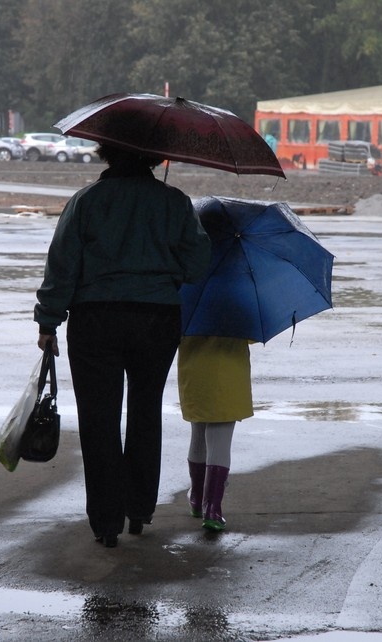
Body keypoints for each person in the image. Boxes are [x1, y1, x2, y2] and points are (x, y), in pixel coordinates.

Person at [34, 143, 211, 548]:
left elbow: (62, 265)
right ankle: (139, 510)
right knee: (146, 412)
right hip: (157, 319)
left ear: (106, 153)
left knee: (99, 419)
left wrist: (48, 321)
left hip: (95, 320)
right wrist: (165, 272)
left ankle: (106, 523)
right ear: (154, 157)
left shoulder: (86, 202)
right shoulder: (175, 202)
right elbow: (199, 263)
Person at [177, 335, 253, 532]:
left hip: (194, 367)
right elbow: (251, 335)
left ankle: (196, 497)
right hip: (230, 369)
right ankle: (212, 508)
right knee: (220, 437)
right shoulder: (239, 303)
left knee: (198, 431)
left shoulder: (188, 303)